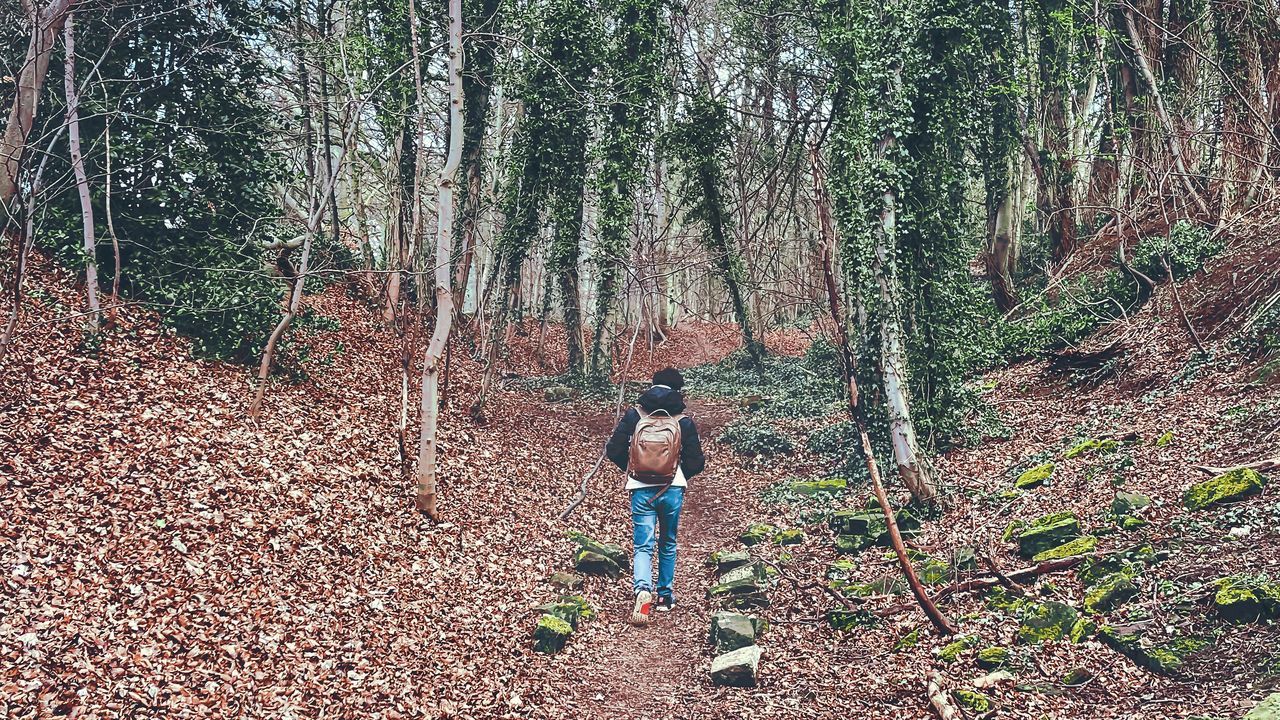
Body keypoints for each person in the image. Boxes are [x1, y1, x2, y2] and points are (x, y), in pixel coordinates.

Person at [605, 367, 706, 625]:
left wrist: (633, 470)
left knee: (643, 545)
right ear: (678, 389)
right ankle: (664, 596)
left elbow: (613, 449)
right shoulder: (682, 420)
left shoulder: (635, 415)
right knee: (668, 542)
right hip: (672, 488)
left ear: (653, 386)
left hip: (639, 488)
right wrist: (677, 474)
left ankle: (642, 591)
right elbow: (697, 461)